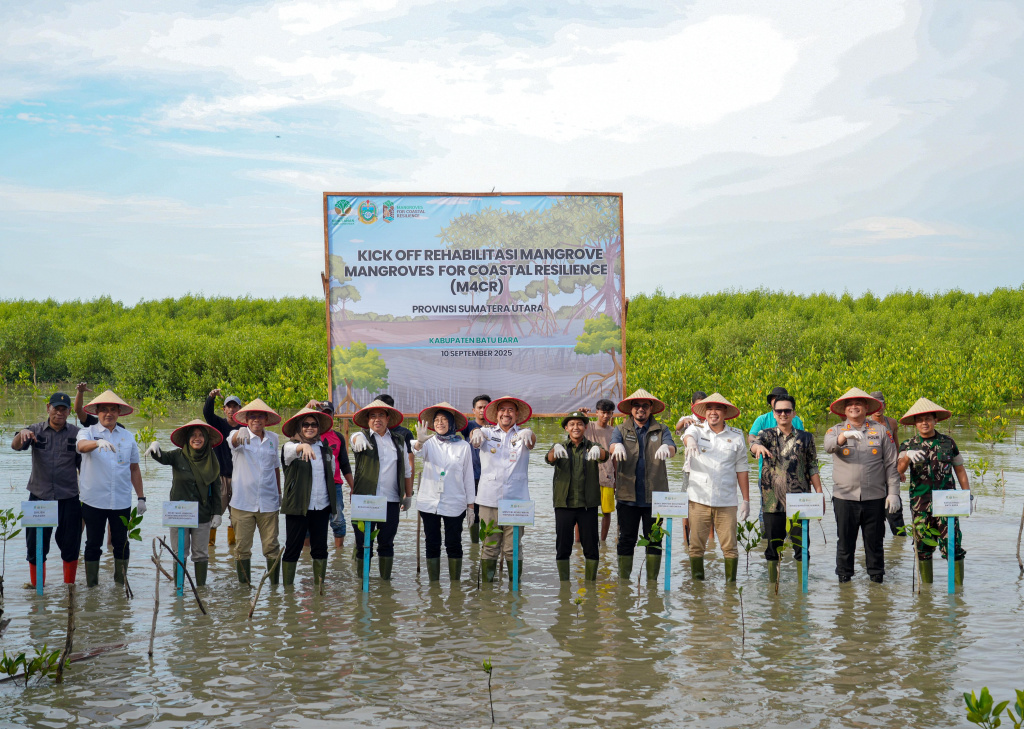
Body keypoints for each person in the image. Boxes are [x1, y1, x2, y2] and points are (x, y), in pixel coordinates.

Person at [823, 388, 900, 584]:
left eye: (858, 404)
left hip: (874, 497)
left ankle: (876, 584)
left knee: (875, 543)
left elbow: (891, 464)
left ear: (866, 407)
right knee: (845, 543)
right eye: (849, 404)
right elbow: (828, 446)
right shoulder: (835, 431)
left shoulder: (881, 431)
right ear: (844, 410)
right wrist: (844, 437)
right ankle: (844, 583)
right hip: (844, 497)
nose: (854, 407)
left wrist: (893, 494)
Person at [11, 392, 84, 587]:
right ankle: (38, 590)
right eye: (56, 408)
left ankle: (69, 589)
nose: (59, 413)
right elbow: (15, 446)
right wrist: (21, 434)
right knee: (36, 546)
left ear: (69, 411)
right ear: (48, 408)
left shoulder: (77, 434)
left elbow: (84, 467)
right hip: (39, 497)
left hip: (69, 497)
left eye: (64, 409)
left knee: (71, 545)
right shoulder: (34, 430)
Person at [896, 397, 972, 585]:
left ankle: (957, 591)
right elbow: (898, 471)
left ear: (935, 420)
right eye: (920, 419)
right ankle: (927, 594)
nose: (924, 423)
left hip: (948, 502)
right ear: (915, 423)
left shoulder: (948, 442)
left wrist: (967, 495)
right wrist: (906, 457)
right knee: (922, 547)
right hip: (920, 503)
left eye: (928, 418)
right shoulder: (907, 445)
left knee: (953, 545)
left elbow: (960, 470)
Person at [749, 393, 823, 583]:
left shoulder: (806, 438)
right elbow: (754, 446)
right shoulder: (766, 434)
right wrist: (757, 449)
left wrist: (820, 493)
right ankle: (773, 593)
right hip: (772, 501)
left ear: (793, 413)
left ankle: (802, 592)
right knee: (773, 547)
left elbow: (812, 466)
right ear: (773, 413)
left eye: (787, 410)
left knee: (801, 546)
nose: (783, 414)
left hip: (800, 500)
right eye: (779, 411)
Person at [76, 390, 146, 587]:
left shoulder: (127, 437)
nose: (109, 413)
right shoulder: (88, 432)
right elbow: (81, 447)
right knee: (93, 545)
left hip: (121, 501)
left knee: (121, 544)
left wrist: (141, 497)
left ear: (119, 412)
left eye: (113, 410)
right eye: (104, 410)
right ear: (97, 412)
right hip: (93, 501)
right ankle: (92, 588)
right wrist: (97, 442)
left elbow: (134, 468)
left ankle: (120, 586)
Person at [609, 388, 676, 582]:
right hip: (627, 496)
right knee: (626, 540)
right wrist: (617, 446)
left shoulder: (662, 429)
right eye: (637, 406)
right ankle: (624, 584)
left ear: (651, 409)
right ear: (631, 409)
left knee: (655, 540)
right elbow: (612, 446)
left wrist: (667, 448)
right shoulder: (620, 429)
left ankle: (652, 585)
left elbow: (672, 448)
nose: (641, 409)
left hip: (656, 498)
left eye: (645, 406)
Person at [145, 419, 222, 587]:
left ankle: (200, 590)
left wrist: (218, 513)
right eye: (193, 435)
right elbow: (162, 457)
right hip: (178, 512)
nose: (197, 438)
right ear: (187, 438)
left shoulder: (212, 459)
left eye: (201, 435)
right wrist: (154, 446)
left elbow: (216, 489)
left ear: (206, 439)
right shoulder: (178, 456)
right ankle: (178, 589)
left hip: (202, 512)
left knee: (201, 553)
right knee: (179, 552)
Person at [682, 393, 749, 582]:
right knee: (695, 547)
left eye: (718, 408)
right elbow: (687, 435)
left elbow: (742, 469)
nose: (713, 413)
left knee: (730, 548)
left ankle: (730, 591)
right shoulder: (696, 430)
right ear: (704, 412)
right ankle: (697, 591)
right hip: (698, 500)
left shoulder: (736, 436)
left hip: (726, 501)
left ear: (725, 412)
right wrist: (691, 442)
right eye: (710, 408)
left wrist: (746, 500)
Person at [469, 395, 536, 583]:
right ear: (496, 414)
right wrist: (475, 434)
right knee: (489, 545)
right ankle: (488, 594)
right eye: (502, 410)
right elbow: (475, 441)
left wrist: (529, 433)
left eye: (510, 410)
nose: (506, 413)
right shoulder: (486, 433)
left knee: (513, 547)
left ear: (516, 414)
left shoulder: (523, 434)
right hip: (489, 498)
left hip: (517, 500)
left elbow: (531, 442)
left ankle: (515, 591)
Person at [350, 399, 414, 580]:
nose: (377, 419)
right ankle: (363, 584)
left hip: (391, 500)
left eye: (380, 416)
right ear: (368, 420)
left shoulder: (398, 440)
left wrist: (408, 496)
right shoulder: (361, 437)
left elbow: (407, 470)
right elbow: (353, 441)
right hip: (365, 501)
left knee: (386, 542)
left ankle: (386, 586)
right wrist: (356, 436)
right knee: (363, 543)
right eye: (372, 416)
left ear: (387, 418)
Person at [412, 402, 475, 582]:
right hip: (429, 502)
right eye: (437, 420)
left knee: (453, 543)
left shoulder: (463, 446)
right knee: (432, 543)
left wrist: (471, 506)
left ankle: (455, 587)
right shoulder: (428, 442)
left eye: (444, 420)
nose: (440, 423)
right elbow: (416, 451)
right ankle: (434, 586)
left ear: (451, 423)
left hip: (455, 502)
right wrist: (419, 442)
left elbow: (468, 477)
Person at [546, 411, 608, 581]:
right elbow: (549, 459)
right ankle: (564, 588)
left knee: (591, 548)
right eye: (572, 424)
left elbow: (605, 456)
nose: (576, 427)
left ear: (586, 427)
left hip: (587, 505)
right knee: (563, 547)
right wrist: (554, 449)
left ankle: (590, 587)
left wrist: (599, 450)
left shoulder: (593, 446)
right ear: (566, 428)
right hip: (564, 505)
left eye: (580, 424)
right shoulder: (559, 447)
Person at [280, 406, 336, 588]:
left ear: (319, 428)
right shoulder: (290, 448)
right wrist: (302, 445)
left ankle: (319, 588)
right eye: (305, 425)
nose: (309, 428)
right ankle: (288, 592)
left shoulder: (325, 451)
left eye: (313, 424)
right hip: (298, 507)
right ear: (299, 427)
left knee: (320, 549)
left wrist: (334, 508)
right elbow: (290, 451)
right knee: (292, 549)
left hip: (321, 506)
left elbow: (332, 476)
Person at [228, 398, 283, 585]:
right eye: (252, 417)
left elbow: (275, 468)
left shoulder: (273, 439)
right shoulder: (238, 434)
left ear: (266, 419)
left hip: (269, 503)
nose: (256, 420)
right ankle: (244, 591)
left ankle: (275, 590)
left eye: (260, 416)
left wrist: (279, 493)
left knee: (272, 548)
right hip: (242, 503)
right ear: (246, 419)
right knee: (242, 549)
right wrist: (239, 433)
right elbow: (232, 442)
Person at [748, 387, 805, 526]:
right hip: (768, 474)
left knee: (793, 512)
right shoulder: (762, 419)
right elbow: (751, 437)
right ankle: (766, 539)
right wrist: (756, 445)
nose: (783, 413)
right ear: (771, 403)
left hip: (793, 476)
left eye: (781, 397)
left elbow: (803, 444)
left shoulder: (796, 420)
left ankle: (791, 541)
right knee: (767, 510)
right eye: (775, 399)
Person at [308, 400, 353, 549]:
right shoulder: (308, 434)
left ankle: (338, 555)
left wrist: (353, 487)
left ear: (333, 415)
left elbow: (345, 464)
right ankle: (306, 557)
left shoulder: (338, 437)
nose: (326, 416)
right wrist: (307, 407)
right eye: (322, 414)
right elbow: (294, 429)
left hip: (335, 485)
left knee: (338, 520)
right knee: (308, 522)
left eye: (329, 413)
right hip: (312, 484)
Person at [204, 388, 243, 547]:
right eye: (229, 406)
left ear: (240, 409)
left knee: (237, 519)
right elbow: (207, 413)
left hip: (240, 479)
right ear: (224, 409)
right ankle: (209, 548)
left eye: (235, 407)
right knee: (214, 516)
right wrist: (211, 397)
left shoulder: (244, 428)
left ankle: (232, 550)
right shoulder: (218, 424)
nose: (232, 410)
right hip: (220, 478)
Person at [869, 391, 907, 536]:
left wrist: (900, 470)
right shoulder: (865, 423)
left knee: (895, 513)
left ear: (885, 405)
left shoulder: (891, 423)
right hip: (873, 473)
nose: (879, 408)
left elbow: (896, 447)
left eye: (881, 404)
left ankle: (898, 547)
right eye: (876, 405)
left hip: (890, 470)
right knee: (874, 514)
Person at [583, 398, 616, 542]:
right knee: (583, 511)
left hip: (607, 475)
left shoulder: (614, 431)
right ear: (597, 412)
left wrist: (616, 478)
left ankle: (602, 542)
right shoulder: (587, 426)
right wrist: (580, 416)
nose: (605, 416)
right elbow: (572, 427)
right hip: (588, 476)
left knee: (606, 512)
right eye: (603, 413)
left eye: (609, 413)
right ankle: (579, 542)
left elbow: (615, 457)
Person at [460, 394, 491, 543]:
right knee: (474, 511)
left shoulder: (496, 426)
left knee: (489, 511)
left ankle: (488, 543)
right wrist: (477, 431)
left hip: (490, 477)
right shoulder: (469, 426)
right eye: (480, 407)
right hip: (473, 476)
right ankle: (474, 544)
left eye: (486, 407)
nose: (483, 410)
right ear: (474, 410)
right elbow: (470, 433)